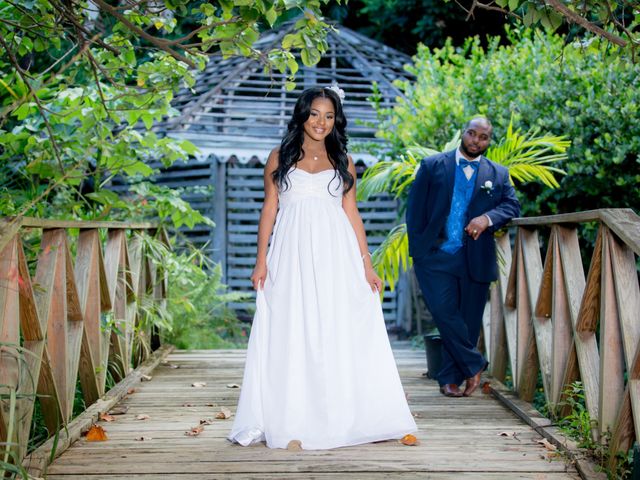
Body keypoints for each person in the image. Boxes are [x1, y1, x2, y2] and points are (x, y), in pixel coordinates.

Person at [228, 86, 417, 449]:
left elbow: (351, 213)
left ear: (336, 120)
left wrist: (367, 264)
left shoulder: (343, 161)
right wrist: (260, 260)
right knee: (292, 324)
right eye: (315, 114)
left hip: (336, 252)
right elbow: (269, 209)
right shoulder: (279, 157)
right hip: (291, 249)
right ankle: (293, 412)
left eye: (329, 116)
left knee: (335, 324)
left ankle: (342, 413)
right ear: (303, 114)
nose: (321, 122)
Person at [406, 117, 520, 398]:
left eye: (483, 137)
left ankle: (449, 379)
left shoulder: (498, 173)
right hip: (435, 257)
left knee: (467, 322)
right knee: (444, 314)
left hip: (475, 257)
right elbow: (414, 211)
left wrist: (487, 218)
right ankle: (475, 363)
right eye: (472, 134)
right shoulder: (433, 166)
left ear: (489, 141)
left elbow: (512, 205)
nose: (476, 141)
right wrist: (420, 252)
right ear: (463, 133)